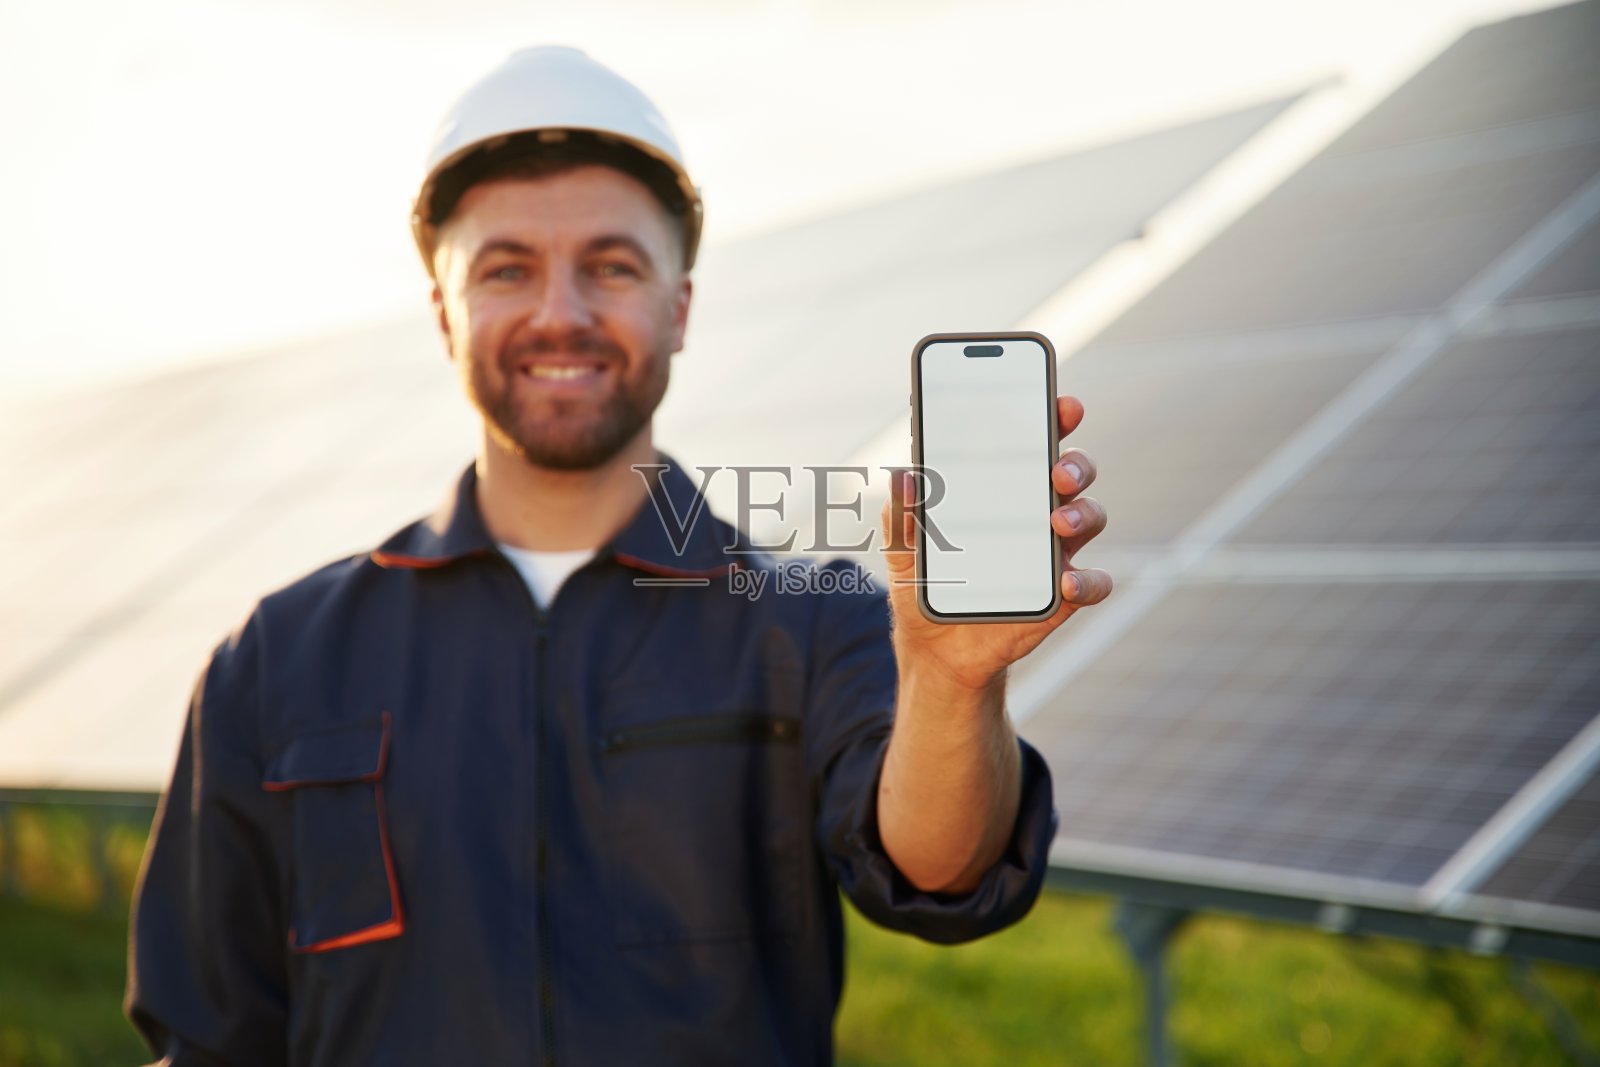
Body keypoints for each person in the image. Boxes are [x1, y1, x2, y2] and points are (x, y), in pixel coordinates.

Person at [124, 46, 1112, 1066]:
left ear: (678, 307)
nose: (561, 312)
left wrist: (951, 684)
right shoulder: (277, 655)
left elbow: (940, 873)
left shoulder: (811, 617)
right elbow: (212, 1037)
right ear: (441, 309)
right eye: (506, 268)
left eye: (612, 264)